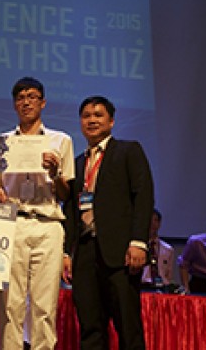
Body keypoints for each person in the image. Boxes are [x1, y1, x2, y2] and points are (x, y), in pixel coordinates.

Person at [62, 95, 153, 349]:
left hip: (120, 252)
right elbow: (70, 210)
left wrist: (138, 242)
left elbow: (143, 196)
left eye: (98, 115)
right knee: (90, 328)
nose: (92, 120)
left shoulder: (128, 150)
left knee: (128, 327)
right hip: (85, 254)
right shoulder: (78, 163)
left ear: (111, 121)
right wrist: (66, 253)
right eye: (86, 116)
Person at [0, 77, 74, 349]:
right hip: (13, 223)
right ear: (15, 104)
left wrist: (55, 172)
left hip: (48, 224)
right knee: (10, 306)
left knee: (44, 306)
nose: (26, 102)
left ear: (43, 102)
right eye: (21, 97)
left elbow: (65, 194)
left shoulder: (61, 141)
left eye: (32, 96)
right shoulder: (1, 142)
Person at [141, 208, 175, 290]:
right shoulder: (138, 248)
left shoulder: (168, 249)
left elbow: (168, 275)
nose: (152, 224)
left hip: (161, 287)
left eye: (155, 220)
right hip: (142, 286)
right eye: (149, 220)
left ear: (159, 224)